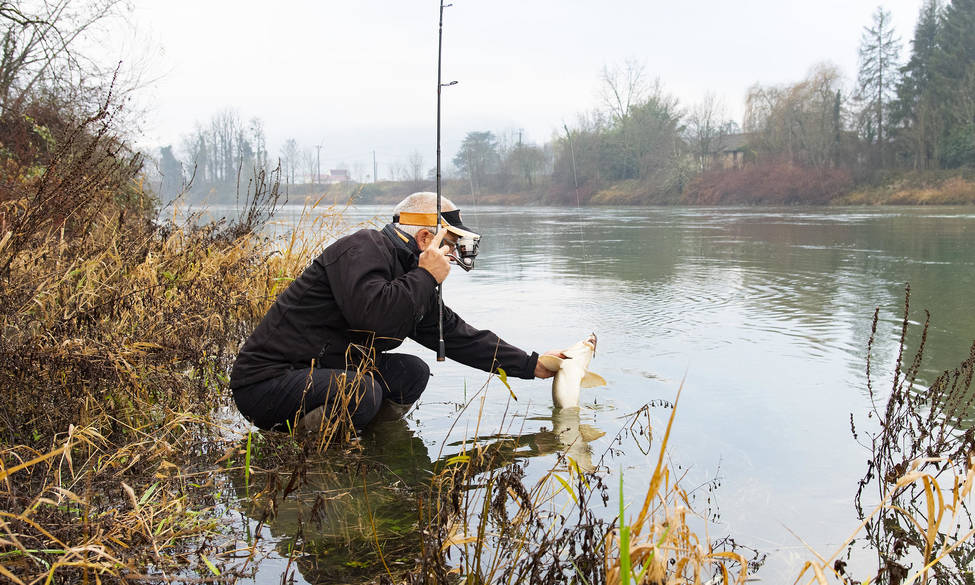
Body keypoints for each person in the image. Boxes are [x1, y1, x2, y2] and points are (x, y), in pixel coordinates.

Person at [230, 192, 559, 434]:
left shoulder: (410, 275)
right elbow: (373, 316)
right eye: (450, 243)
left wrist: (531, 365)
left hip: (321, 371)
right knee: (360, 390)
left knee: (410, 371)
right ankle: (306, 455)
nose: (452, 255)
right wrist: (426, 275)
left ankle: (375, 452)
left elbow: (456, 336)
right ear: (426, 237)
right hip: (266, 383)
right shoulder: (362, 248)